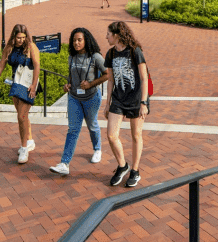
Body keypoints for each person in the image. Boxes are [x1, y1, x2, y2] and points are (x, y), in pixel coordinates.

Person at [50, 28, 107, 176]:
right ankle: (64, 163)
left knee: (92, 124)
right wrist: (67, 85)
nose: (76, 43)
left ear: (86, 40)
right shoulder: (72, 57)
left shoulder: (95, 57)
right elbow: (71, 76)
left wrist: (91, 84)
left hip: (91, 98)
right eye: (74, 40)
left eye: (79, 40)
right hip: (74, 98)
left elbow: (107, 74)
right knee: (73, 129)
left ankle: (97, 149)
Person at [0, 24, 40, 164]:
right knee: (22, 115)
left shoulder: (31, 47)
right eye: (18, 38)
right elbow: (1, 65)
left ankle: (23, 148)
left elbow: (37, 65)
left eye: (23, 37)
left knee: (21, 116)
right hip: (16, 84)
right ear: (14, 37)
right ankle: (30, 141)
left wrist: (34, 86)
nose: (21, 40)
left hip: (28, 85)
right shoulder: (9, 48)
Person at [103, 21, 148, 188]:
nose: (106, 36)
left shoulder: (135, 51)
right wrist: (107, 103)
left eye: (108, 33)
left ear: (117, 35)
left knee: (136, 135)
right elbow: (110, 80)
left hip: (136, 99)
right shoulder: (111, 54)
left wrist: (144, 102)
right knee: (111, 135)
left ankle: (135, 171)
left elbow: (144, 78)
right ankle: (123, 166)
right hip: (118, 99)